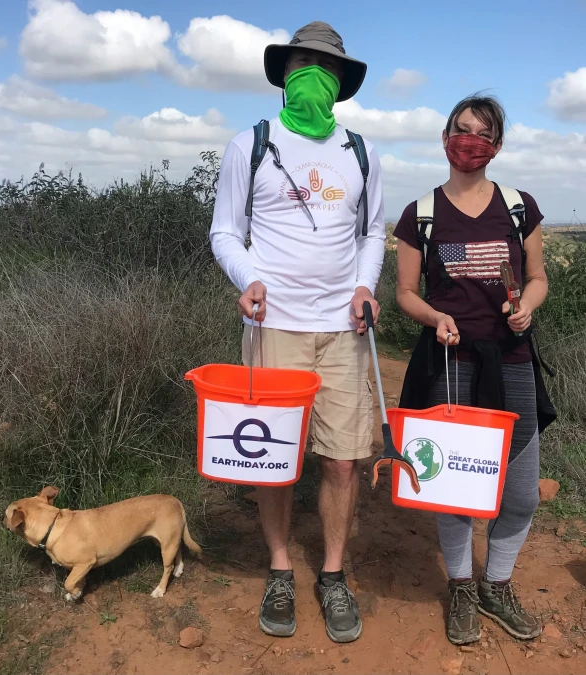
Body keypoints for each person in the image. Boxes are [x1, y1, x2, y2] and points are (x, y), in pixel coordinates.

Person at [209, 22, 385, 643]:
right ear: (285, 72)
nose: (312, 72)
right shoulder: (248, 145)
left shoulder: (361, 151)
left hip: (343, 329)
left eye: (325, 66)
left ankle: (332, 574)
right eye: (302, 61)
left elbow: (371, 234)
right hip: (273, 327)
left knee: (343, 460)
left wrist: (366, 287)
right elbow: (225, 231)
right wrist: (249, 277)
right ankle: (282, 566)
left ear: (339, 82)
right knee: (276, 460)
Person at [393, 93, 556, 645]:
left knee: (522, 492)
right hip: (451, 361)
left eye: (481, 133)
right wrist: (435, 315)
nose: (470, 141)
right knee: (456, 485)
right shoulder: (420, 214)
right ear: (445, 137)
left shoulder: (518, 207)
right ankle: (462, 586)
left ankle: (497, 583)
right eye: (461, 129)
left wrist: (528, 305)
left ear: (497, 145)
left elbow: (537, 277)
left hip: (511, 360)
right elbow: (405, 294)